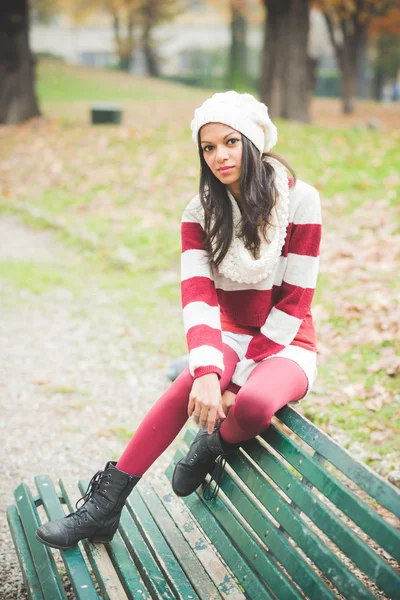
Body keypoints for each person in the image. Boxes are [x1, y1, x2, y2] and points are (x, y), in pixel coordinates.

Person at [35, 91, 321, 551]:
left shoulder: (301, 201)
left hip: (286, 343)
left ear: (252, 141)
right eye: (208, 148)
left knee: (254, 405)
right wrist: (209, 372)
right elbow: (199, 299)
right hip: (226, 334)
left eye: (230, 142)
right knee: (189, 380)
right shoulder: (199, 212)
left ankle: (212, 446)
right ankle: (104, 506)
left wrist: (236, 381)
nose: (220, 156)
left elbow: (295, 302)